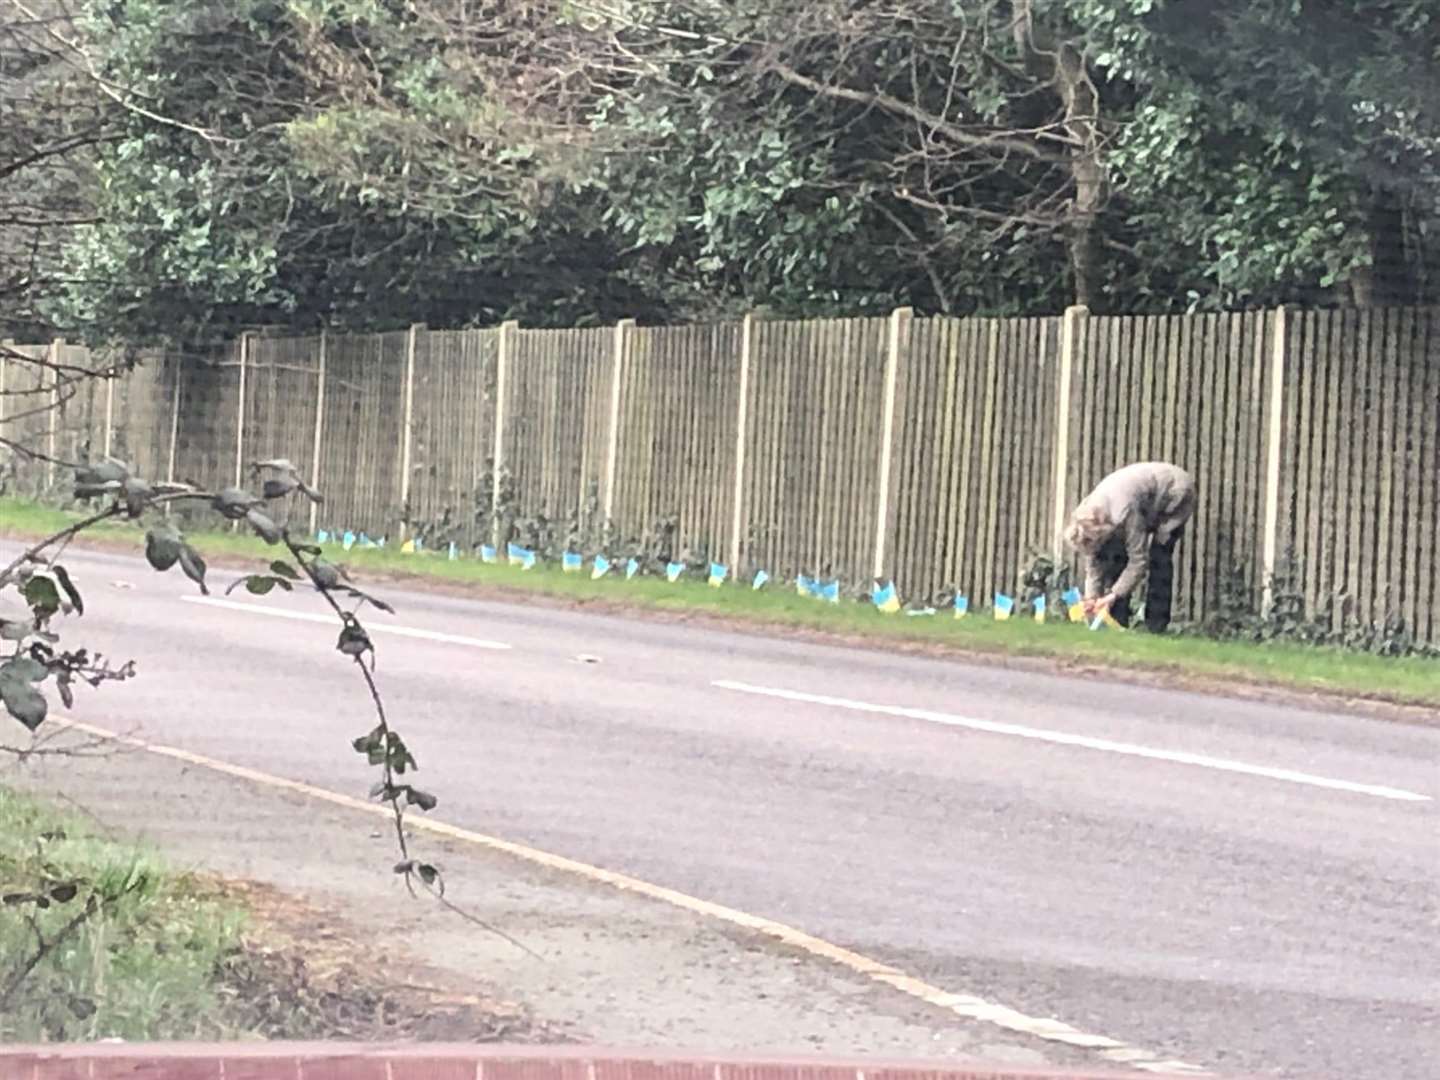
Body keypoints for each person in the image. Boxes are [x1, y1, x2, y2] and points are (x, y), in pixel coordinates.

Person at [1063, 461, 1196, 633]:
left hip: (1174, 492)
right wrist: (1091, 599)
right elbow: (1094, 562)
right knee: (1115, 556)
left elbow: (1138, 561)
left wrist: (1112, 595)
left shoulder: (1124, 514)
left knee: (1159, 556)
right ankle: (1118, 622)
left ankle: (1156, 625)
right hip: (1139, 496)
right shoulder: (1085, 518)